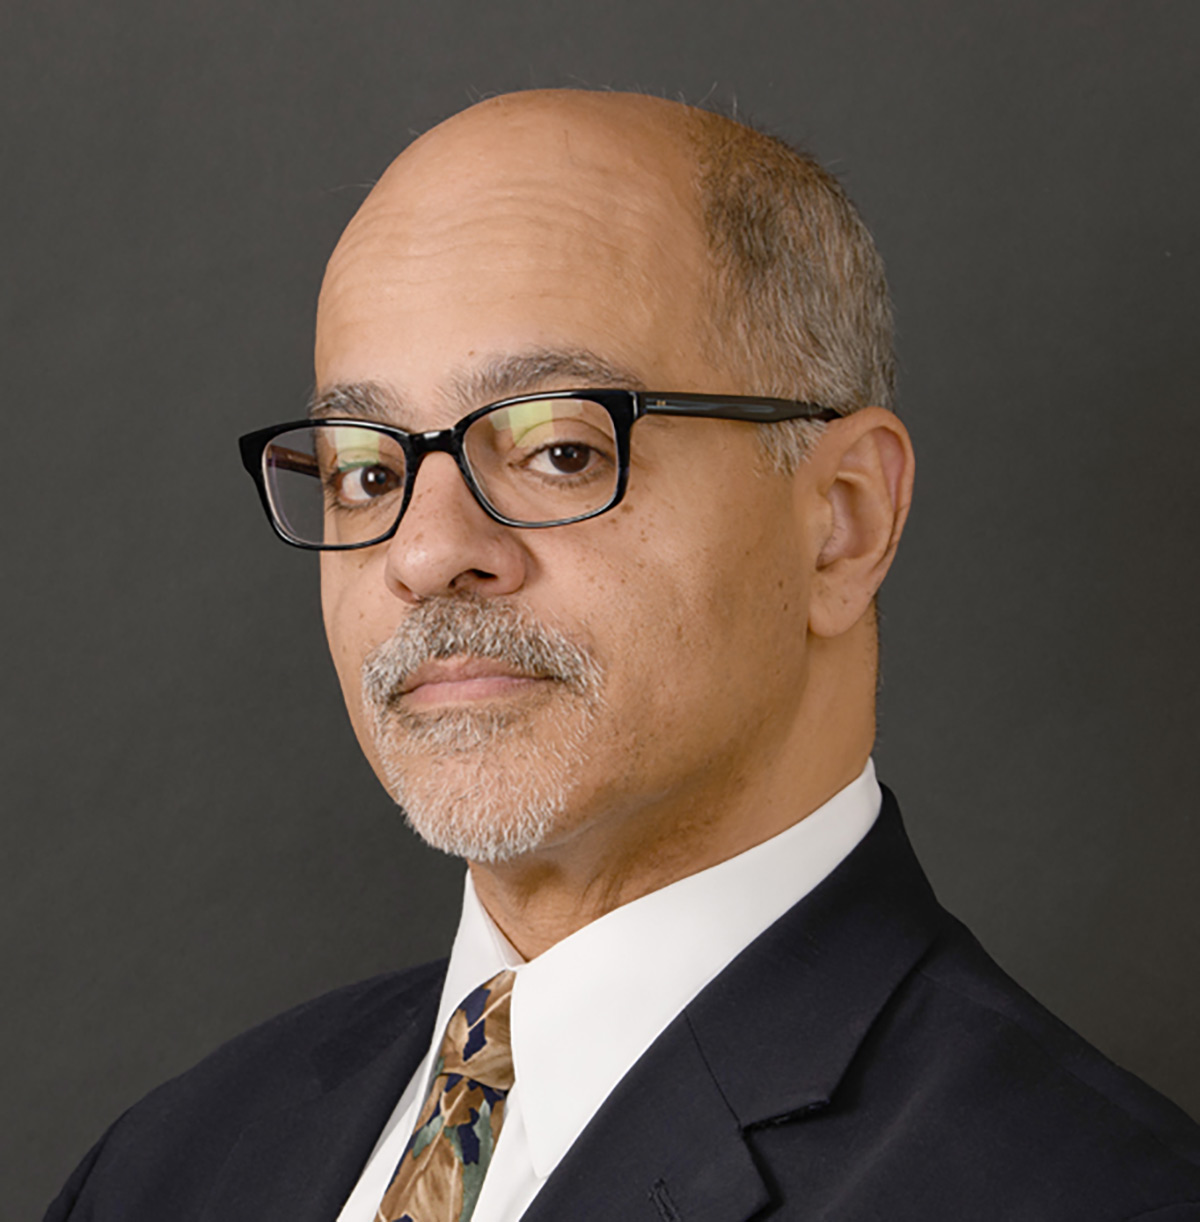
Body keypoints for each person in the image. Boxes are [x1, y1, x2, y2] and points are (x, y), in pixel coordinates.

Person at [46, 89, 1200, 1222]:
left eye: (557, 449)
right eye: (368, 470)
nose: (427, 551)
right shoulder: (168, 1164)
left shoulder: (1096, 1189)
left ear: (841, 520)